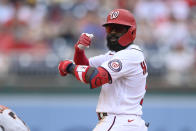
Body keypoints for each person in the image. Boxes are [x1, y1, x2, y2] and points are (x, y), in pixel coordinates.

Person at [58, 9, 148, 131]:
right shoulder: (115, 54)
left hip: (119, 121)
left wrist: (69, 67)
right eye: (110, 29)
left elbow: (95, 77)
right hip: (124, 122)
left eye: (119, 29)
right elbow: (85, 67)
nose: (113, 33)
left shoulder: (130, 55)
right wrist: (79, 51)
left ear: (131, 31)